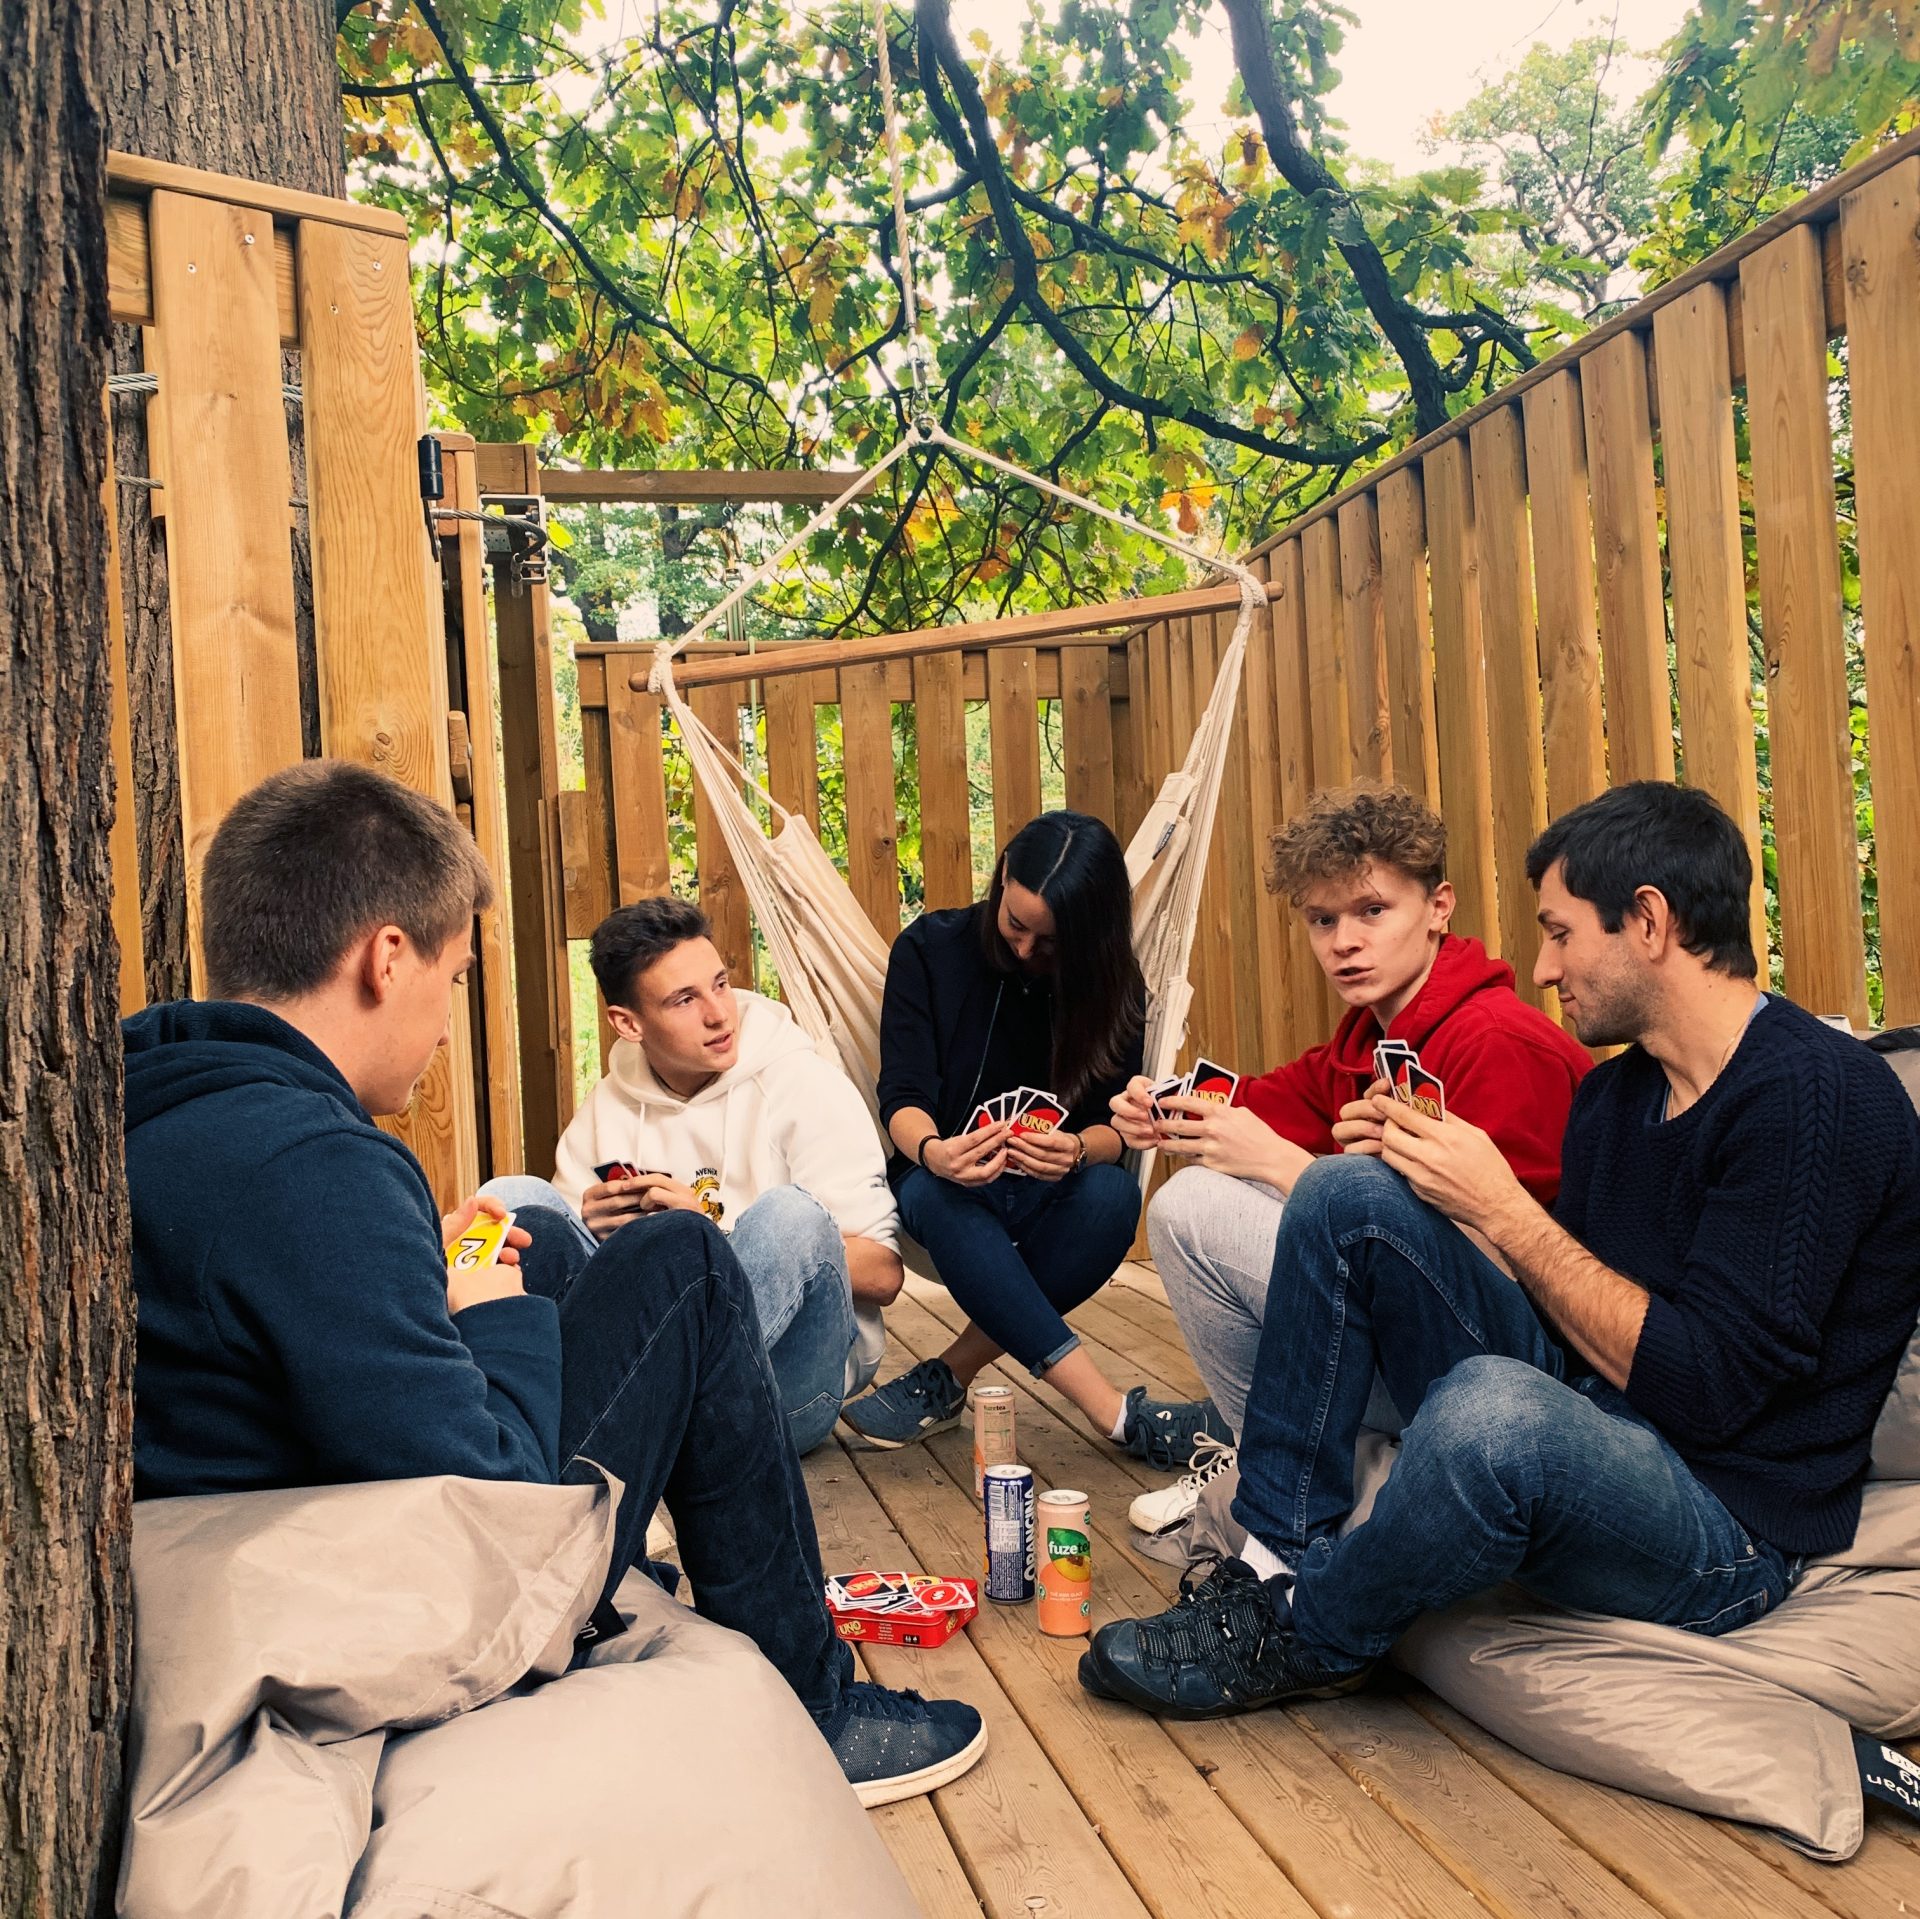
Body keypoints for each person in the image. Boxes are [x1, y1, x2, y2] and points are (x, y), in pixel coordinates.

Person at [123, 760, 985, 1807]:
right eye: (452, 979)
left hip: (258, 1532)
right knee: (688, 1264)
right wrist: (495, 1311)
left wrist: (430, 1274)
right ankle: (819, 1712)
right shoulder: (313, 1163)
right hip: (393, 1596)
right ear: (384, 957)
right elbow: (501, 1505)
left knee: (532, 1221)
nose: (446, 1026)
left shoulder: (152, 1101)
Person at [1081, 781, 1920, 1718]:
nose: (1543, 965)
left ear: (1647, 920)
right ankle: (1270, 1565)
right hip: (1595, 1420)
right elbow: (1570, 1333)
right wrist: (1449, 1205)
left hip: (1725, 1527)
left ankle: (1306, 1633)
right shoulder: (1617, 1100)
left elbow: (1713, 1391)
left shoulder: (1817, 1097)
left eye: (1561, 933)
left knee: (1496, 1411)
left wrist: (1506, 1210)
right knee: (1344, 1189)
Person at [1110, 782, 1591, 1540]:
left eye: (1372, 911)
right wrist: (1163, 1104)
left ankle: (1312, 1486)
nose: (1344, 941)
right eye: (1322, 919)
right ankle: (1275, 1464)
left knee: (1194, 1206)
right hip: (1411, 1346)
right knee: (1194, 1196)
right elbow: (1267, 1097)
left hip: (1507, 1379)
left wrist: (1278, 1164)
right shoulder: (1366, 1040)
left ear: (1438, 907)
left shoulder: (1499, 1042)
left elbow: (1519, 1271)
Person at [842, 810, 1224, 1464]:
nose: (1022, 949)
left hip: (1053, 1190)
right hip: (944, 1183)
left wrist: (1075, 1150)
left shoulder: (1114, 984)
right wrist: (938, 1151)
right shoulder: (929, 951)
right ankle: (1115, 1413)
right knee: (935, 1194)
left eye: (1047, 943)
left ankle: (947, 1376)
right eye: (1013, 923)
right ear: (1000, 881)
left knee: (1112, 1199)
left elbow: (1120, 1130)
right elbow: (902, 1098)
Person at [486, 896, 900, 1455]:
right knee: (510, 1198)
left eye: (721, 984)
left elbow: (884, 1274)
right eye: (684, 999)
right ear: (628, 1023)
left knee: (791, 1217)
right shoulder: (611, 1106)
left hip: (776, 1393)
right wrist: (589, 1223)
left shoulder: (806, 1083)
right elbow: (568, 1266)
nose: (718, 1014)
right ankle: (514, 1411)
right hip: (649, 1379)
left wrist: (712, 1237)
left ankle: (628, 1415)